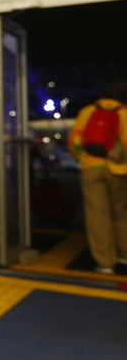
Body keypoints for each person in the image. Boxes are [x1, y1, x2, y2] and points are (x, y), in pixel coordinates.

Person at [67, 79, 127, 274]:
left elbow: (74, 141)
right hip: (118, 170)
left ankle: (105, 263)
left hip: (91, 167)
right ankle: (123, 253)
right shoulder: (124, 113)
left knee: (97, 215)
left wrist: (83, 158)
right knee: (120, 212)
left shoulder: (88, 112)